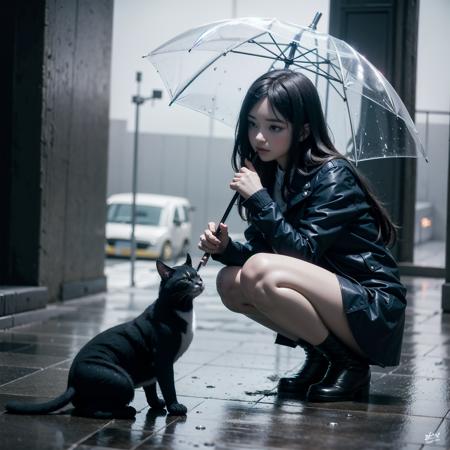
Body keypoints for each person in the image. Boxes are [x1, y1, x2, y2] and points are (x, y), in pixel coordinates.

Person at [198, 69, 406, 402]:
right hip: (331, 297)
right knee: (229, 282)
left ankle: (349, 365)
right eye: (252, 124)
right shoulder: (276, 174)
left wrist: (260, 199)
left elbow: (301, 253)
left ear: (304, 129)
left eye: (274, 127)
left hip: (370, 306)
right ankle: (321, 355)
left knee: (258, 272)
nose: (259, 138)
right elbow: (263, 250)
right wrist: (225, 247)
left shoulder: (333, 175)